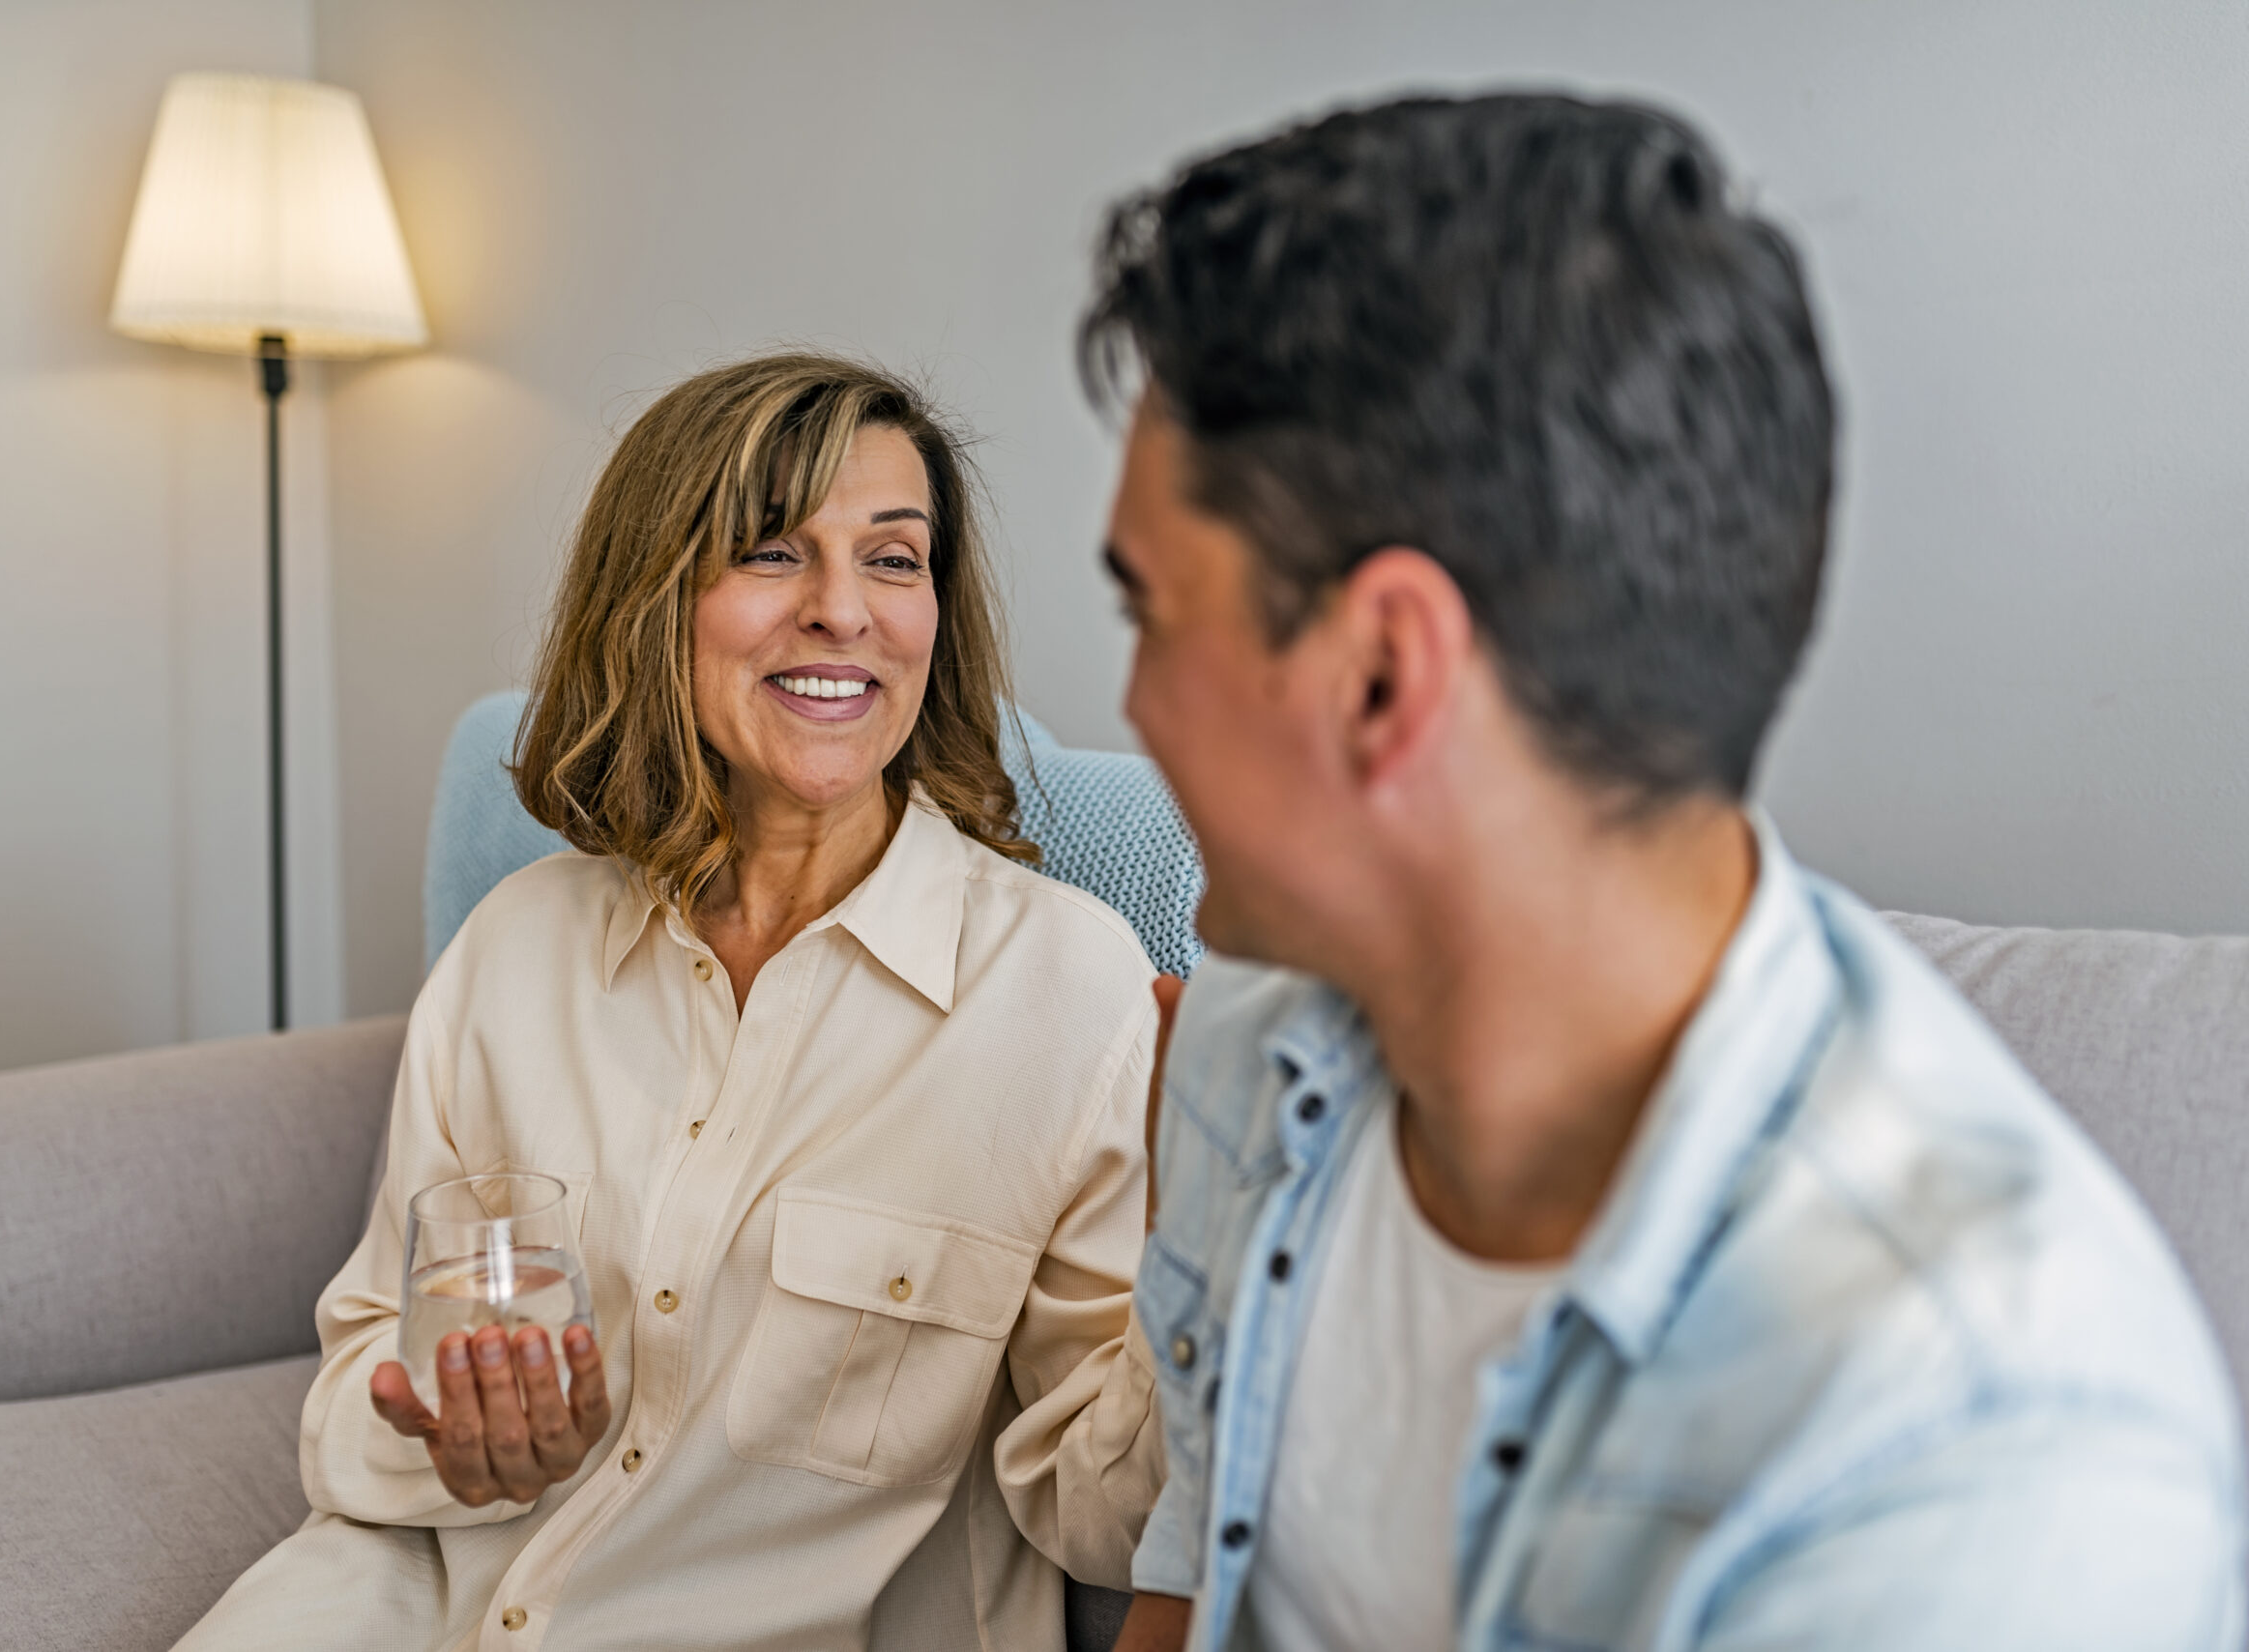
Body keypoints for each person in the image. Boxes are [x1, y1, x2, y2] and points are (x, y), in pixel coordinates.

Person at [1090, 94, 2244, 1652]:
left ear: (1383, 676)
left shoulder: (1982, 1461)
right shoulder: (1250, 1043)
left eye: (1154, 610)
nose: (1131, 702)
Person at [177, 353, 1165, 1652]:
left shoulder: (1070, 992)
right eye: (769, 552)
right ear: (658, 600)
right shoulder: (516, 950)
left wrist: (1221, 1241)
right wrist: (458, 1437)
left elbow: (1110, 1520)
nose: (842, 611)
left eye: (891, 558)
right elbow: (364, 1387)